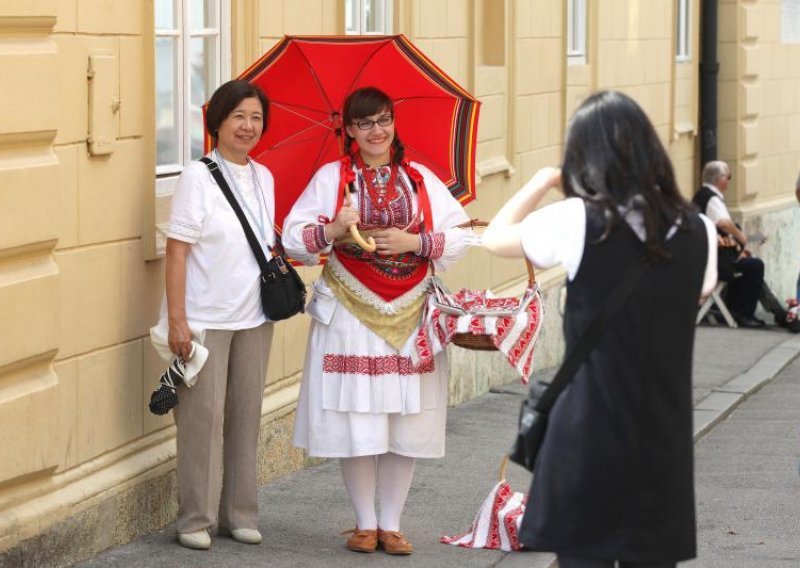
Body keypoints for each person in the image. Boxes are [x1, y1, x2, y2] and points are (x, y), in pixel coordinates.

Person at [482, 91, 717, 568]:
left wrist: (542, 181)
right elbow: (698, 289)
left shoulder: (577, 221)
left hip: (588, 433)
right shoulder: (700, 230)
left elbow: (493, 237)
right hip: (661, 439)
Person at [282, 86, 471, 556]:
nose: (376, 131)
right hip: (352, 310)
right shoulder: (332, 179)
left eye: (384, 120)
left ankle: (392, 523)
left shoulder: (420, 178)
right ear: (348, 130)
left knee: (402, 418)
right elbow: (291, 240)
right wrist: (332, 229)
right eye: (364, 123)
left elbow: (462, 234)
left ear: (393, 123)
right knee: (360, 417)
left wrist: (416, 244)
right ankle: (365, 523)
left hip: (411, 310)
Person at [157, 79, 275, 550]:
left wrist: (334, 230)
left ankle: (239, 513)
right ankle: (194, 520)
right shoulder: (197, 176)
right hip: (205, 319)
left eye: (256, 118)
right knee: (202, 422)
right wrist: (178, 320)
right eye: (239, 117)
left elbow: (263, 245)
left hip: (254, 318)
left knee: (245, 418)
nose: (248, 126)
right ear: (218, 122)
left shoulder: (264, 177)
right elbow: (177, 251)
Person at [693, 161, 788, 328]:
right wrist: (741, 237)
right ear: (719, 179)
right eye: (728, 177)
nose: (729, 181)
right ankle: (743, 313)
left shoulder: (700, 195)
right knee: (755, 266)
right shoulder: (712, 199)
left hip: (707, 257)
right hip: (714, 262)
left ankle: (777, 312)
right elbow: (723, 223)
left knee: (749, 265)